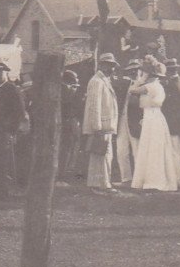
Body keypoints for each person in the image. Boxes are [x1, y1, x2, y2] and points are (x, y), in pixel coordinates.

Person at [130, 57, 178, 192]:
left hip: (152, 117)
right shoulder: (158, 86)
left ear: (150, 75)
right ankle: (154, 179)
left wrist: (141, 79)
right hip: (154, 116)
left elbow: (132, 90)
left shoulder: (149, 86)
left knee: (151, 148)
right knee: (154, 147)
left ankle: (153, 180)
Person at [0, 63, 26, 200]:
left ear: (6, 73)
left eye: (0, 72)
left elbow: (19, 112)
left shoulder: (11, 89)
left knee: (2, 162)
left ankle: (3, 193)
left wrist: (10, 130)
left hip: (4, 132)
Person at [82, 52, 120, 191]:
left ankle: (98, 183)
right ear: (102, 65)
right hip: (101, 126)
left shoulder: (104, 80)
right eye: (109, 65)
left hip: (106, 125)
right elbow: (94, 105)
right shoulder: (97, 81)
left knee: (103, 155)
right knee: (101, 155)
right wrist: (97, 126)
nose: (112, 69)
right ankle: (102, 185)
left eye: (113, 66)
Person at [161, 58, 180, 187]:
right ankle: (176, 178)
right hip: (173, 122)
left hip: (174, 123)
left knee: (175, 151)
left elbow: (177, 106)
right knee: (175, 151)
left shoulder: (177, 84)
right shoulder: (175, 83)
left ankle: (178, 179)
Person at [114, 59, 141, 185]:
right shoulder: (124, 85)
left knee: (137, 150)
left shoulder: (143, 85)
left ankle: (139, 180)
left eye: (135, 70)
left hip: (135, 121)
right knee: (121, 150)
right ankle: (126, 178)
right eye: (131, 71)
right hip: (122, 120)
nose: (133, 73)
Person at [58, 70, 83, 181]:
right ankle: (61, 175)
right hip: (68, 122)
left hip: (68, 121)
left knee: (68, 148)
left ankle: (63, 173)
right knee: (67, 149)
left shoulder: (63, 89)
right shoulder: (67, 90)